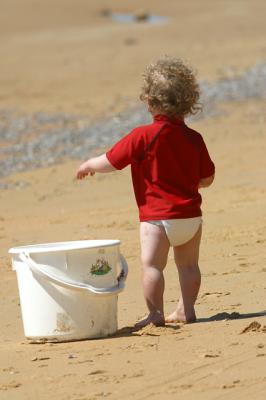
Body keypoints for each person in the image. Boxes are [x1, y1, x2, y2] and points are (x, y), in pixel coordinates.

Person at [76, 56, 215, 328]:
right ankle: (187, 309)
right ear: (188, 102)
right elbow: (207, 177)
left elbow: (112, 160)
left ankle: (155, 313)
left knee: (153, 267)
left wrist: (89, 164)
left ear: (149, 101)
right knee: (189, 267)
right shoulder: (194, 138)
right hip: (189, 217)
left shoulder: (143, 135)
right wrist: (192, 184)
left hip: (156, 219)